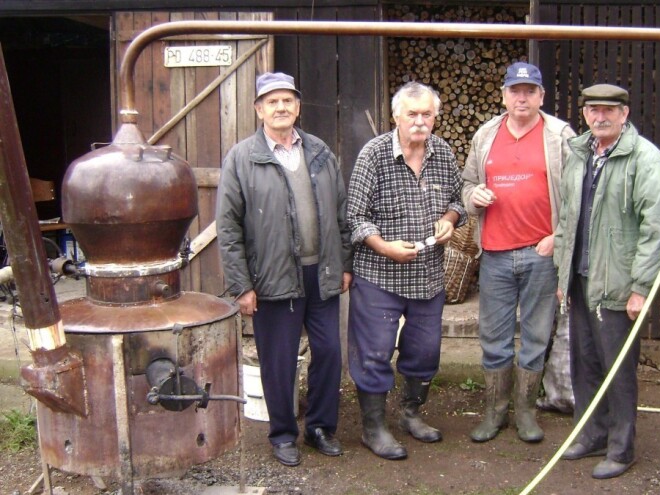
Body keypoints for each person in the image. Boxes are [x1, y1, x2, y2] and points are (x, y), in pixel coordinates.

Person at [216, 72, 352, 467]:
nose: (280, 108)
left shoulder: (320, 152)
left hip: (320, 273)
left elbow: (340, 213)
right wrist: (241, 285)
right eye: (272, 102)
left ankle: (321, 427)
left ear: (298, 107)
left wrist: (343, 264)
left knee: (328, 352)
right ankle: (282, 434)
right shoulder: (242, 157)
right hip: (273, 278)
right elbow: (228, 227)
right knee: (278, 360)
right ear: (259, 109)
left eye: (287, 101)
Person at [554, 83, 660, 479]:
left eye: (609, 110)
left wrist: (641, 286)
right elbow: (569, 216)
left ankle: (622, 450)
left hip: (618, 285)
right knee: (585, 364)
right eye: (593, 110)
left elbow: (657, 227)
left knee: (617, 370)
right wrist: (562, 273)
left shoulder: (644, 158)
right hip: (581, 279)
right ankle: (592, 434)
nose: (600, 117)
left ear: (624, 114)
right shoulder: (580, 153)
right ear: (585, 114)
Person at [346, 81, 466, 460]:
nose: (419, 121)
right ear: (395, 116)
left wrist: (449, 219)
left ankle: (411, 414)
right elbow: (355, 217)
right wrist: (384, 246)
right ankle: (374, 427)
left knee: (424, 351)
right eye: (411, 114)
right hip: (379, 276)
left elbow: (458, 199)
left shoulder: (443, 152)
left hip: (429, 276)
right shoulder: (374, 154)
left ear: (435, 116)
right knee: (374, 353)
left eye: (426, 114)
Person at [462, 61, 575, 444]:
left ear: (541, 96)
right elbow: (467, 184)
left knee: (535, 336)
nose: (522, 97)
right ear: (505, 95)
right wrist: (473, 197)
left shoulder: (560, 135)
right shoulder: (486, 134)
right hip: (494, 253)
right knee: (493, 337)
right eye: (515, 90)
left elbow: (577, 195)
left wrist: (558, 236)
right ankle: (495, 412)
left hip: (540, 253)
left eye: (530, 91)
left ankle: (526, 412)